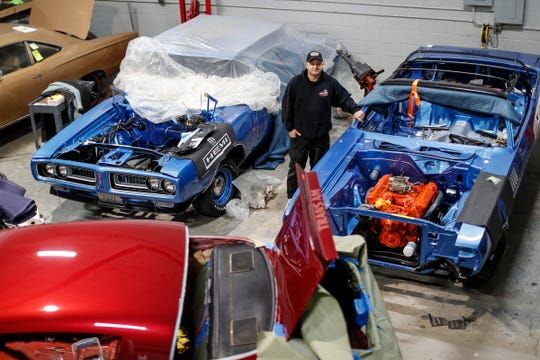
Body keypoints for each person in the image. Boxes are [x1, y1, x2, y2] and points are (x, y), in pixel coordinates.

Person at [282, 50, 364, 198]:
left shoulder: (329, 83)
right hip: (300, 135)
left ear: (322, 65)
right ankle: (292, 198)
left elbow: (343, 98)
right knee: (296, 168)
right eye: (312, 64)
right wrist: (290, 128)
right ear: (307, 64)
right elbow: (287, 106)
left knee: (319, 169)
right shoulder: (296, 83)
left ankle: (315, 196)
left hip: (320, 136)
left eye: (318, 64)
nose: (315, 67)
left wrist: (356, 110)